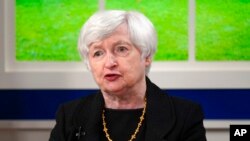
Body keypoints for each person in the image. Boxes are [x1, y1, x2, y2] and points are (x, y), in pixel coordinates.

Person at [49, 10, 206, 141]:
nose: (109, 62)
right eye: (98, 53)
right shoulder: (69, 116)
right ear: (89, 62)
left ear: (147, 55)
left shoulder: (185, 116)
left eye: (121, 49)